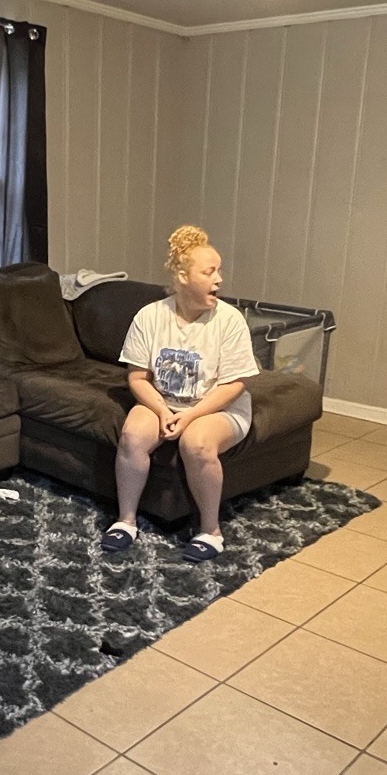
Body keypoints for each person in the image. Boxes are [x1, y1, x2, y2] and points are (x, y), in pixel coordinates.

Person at [104, 224, 261, 562]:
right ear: (184, 277)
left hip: (221, 408)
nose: (220, 279)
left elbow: (235, 384)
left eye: (219, 270)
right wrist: (162, 411)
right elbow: (138, 379)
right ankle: (125, 520)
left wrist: (190, 416)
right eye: (210, 272)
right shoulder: (150, 316)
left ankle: (211, 531)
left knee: (197, 443)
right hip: (164, 402)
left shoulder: (229, 320)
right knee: (132, 435)